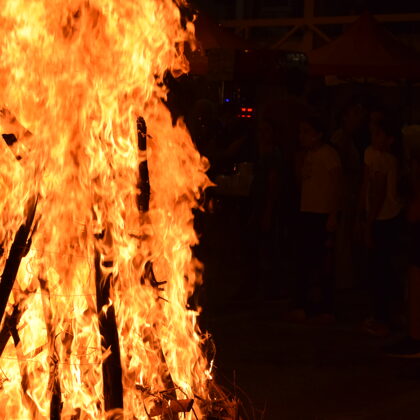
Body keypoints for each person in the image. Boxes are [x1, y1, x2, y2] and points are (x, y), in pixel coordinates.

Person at [290, 114, 342, 322]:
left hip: (322, 214)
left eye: (307, 132)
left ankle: (326, 307)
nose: (302, 136)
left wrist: (333, 214)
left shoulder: (329, 155)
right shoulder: (308, 155)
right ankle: (304, 305)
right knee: (304, 260)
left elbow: (337, 185)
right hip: (308, 211)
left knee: (323, 263)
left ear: (318, 134)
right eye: (301, 132)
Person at [359, 119, 403, 336]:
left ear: (390, 140)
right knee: (381, 269)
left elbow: (378, 193)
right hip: (385, 217)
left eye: (379, 134)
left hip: (383, 218)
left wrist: (368, 222)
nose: (374, 138)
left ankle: (383, 318)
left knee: (379, 270)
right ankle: (382, 315)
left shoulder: (384, 160)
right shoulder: (382, 158)